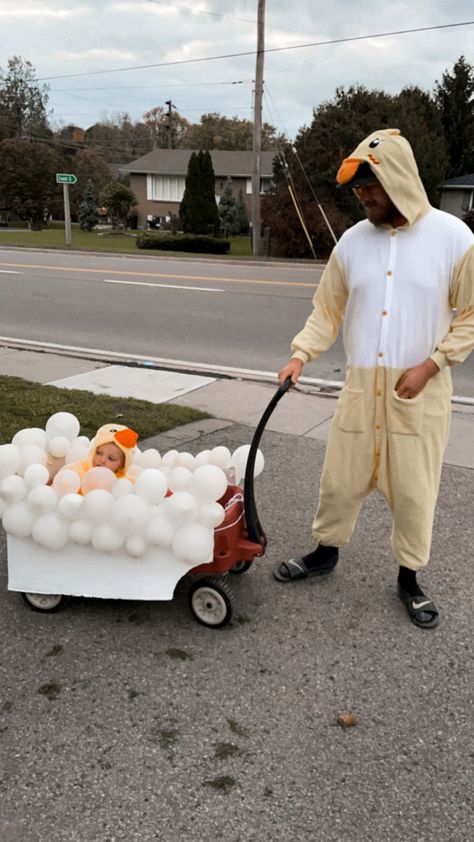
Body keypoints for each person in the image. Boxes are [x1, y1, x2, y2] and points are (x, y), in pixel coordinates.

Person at [274, 128, 474, 630]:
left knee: (413, 490)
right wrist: (301, 354)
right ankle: (325, 552)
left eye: (371, 185)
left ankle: (410, 578)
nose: (363, 195)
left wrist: (432, 365)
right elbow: (327, 310)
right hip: (362, 385)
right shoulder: (352, 243)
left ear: (399, 179)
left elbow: (471, 313)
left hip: (420, 388)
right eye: (358, 187)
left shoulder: (454, 238)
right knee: (340, 480)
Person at [60, 423, 139, 485]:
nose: (102, 460)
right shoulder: (77, 471)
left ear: (122, 465)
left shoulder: (123, 482)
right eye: (99, 453)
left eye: (111, 458)